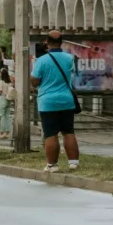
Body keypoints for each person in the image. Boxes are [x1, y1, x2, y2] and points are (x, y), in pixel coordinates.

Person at [31, 30, 80, 172]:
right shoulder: (69, 58)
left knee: (51, 133)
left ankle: (52, 165)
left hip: (47, 102)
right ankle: (73, 162)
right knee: (68, 131)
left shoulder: (41, 61)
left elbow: (34, 81)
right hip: (66, 100)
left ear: (47, 42)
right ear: (62, 42)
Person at [0, 68, 13, 140]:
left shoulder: (1, 82)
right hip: (8, 99)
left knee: (1, 116)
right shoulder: (10, 83)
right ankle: (7, 132)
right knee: (7, 116)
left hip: (2, 99)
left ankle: (2, 132)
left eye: (0, 73)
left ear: (2, 74)